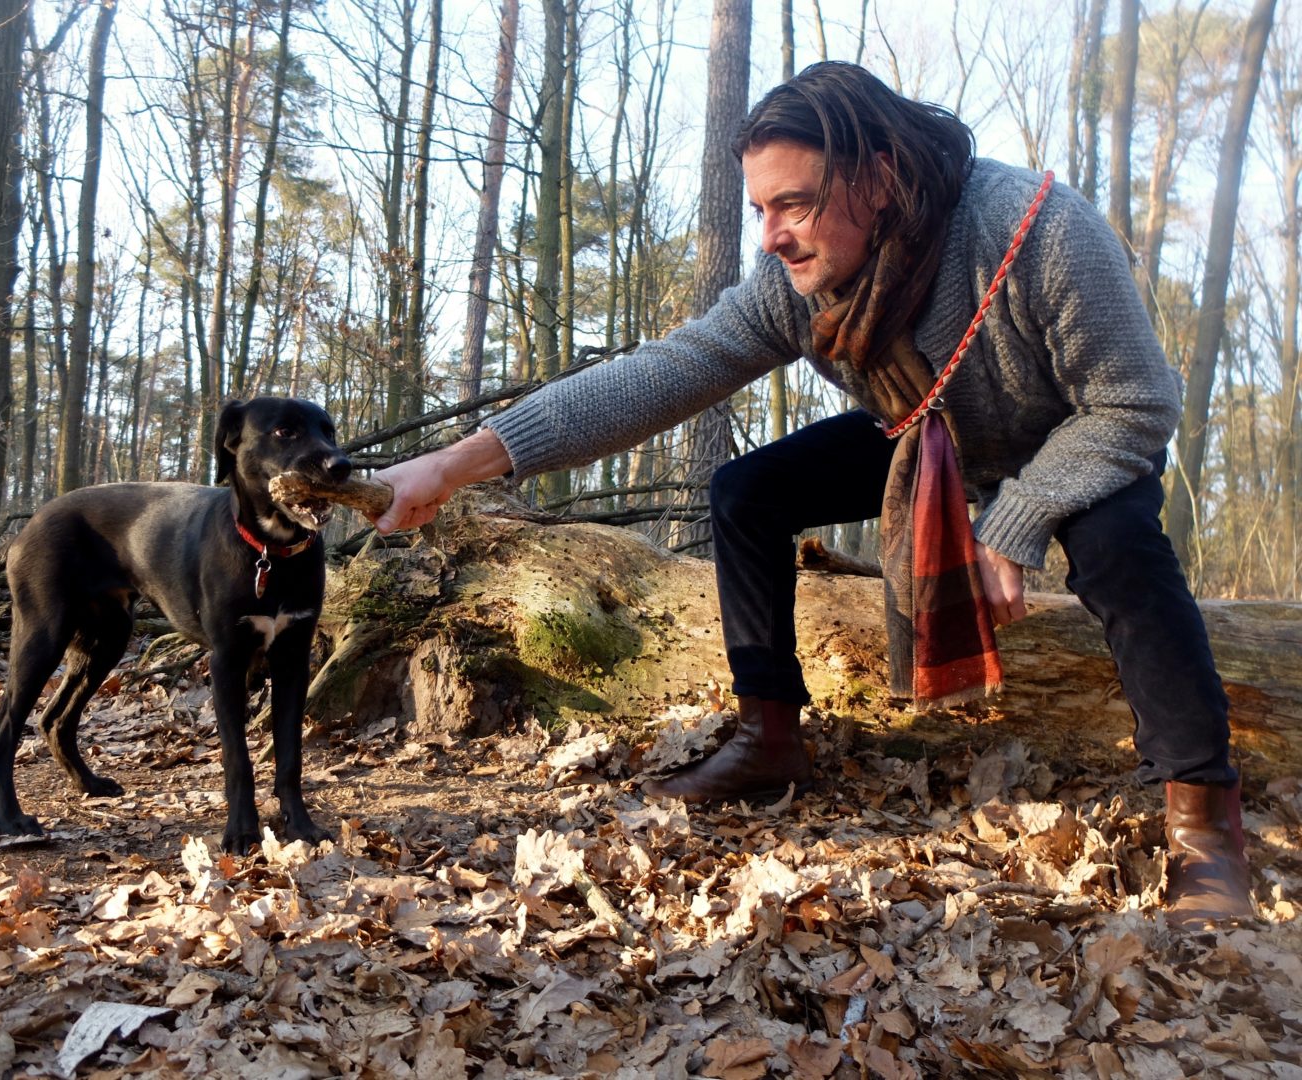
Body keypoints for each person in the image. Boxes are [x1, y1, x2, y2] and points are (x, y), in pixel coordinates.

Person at [368, 62, 1252, 929]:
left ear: (879, 178)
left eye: (793, 204)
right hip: (927, 439)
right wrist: (453, 465)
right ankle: (770, 737)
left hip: (1075, 439)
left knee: (1121, 551)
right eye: (760, 208)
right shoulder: (797, 286)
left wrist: (1014, 519)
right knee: (748, 490)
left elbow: (1137, 405)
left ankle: (1202, 817)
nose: (771, 235)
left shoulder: (1036, 230)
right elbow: (661, 375)